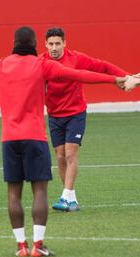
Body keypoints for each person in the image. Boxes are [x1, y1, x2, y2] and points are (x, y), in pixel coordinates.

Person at [0, 26, 125, 257]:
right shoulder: (43, 65)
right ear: (35, 45)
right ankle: (38, 246)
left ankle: (21, 246)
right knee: (39, 192)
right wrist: (116, 80)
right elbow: (80, 75)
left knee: (13, 194)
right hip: (35, 138)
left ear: (13, 43)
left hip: (9, 139)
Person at [42, 27, 128, 212]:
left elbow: (103, 66)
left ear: (65, 43)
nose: (54, 47)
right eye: (51, 44)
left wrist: (125, 76)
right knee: (60, 156)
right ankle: (71, 198)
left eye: (58, 43)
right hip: (55, 115)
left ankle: (65, 196)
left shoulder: (76, 58)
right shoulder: (41, 62)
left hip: (75, 113)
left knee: (71, 153)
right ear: (45, 45)